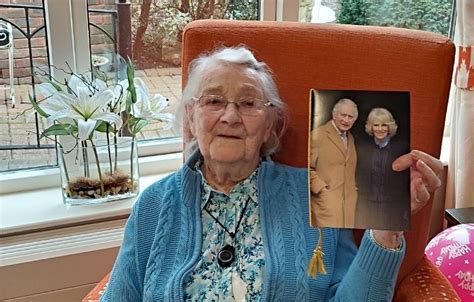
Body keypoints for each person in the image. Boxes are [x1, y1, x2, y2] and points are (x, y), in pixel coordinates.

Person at [100, 46, 443, 301]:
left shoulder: (314, 193)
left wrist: (385, 230)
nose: (230, 117)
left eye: (249, 104)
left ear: (270, 126)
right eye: (213, 101)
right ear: (190, 118)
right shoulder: (155, 204)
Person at [355, 108, 410, 230]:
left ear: (390, 127)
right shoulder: (362, 148)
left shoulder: (402, 148)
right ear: (371, 127)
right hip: (367, 206)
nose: (380, 129)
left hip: (392, 208)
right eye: (376, 125)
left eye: (384, 125)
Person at [309, 99, 358, 228]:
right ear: (334, 114)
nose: (346, 120)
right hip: (325, 205)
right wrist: (321, 189)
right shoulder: (318, 135)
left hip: (348, 206)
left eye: (350, 117)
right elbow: (306, 167)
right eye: (343, 115)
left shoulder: (350, 138)